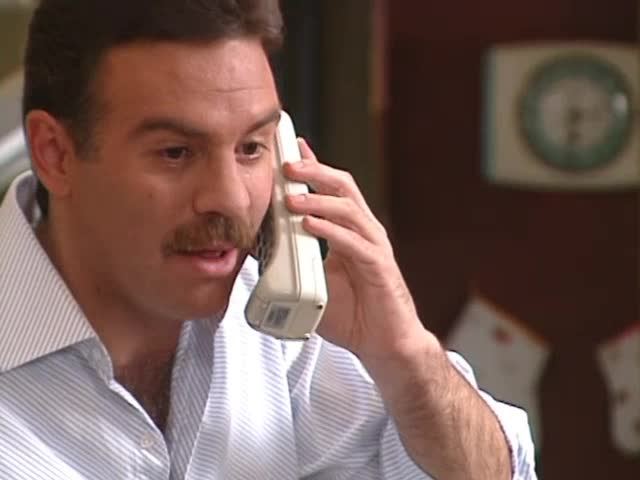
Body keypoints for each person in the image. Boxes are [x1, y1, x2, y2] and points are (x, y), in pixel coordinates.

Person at [0, 1, 536, 478]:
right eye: (175, 153)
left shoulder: (276, 327)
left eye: (252, 148)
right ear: (55, 154)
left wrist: (405, 355)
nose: (231, 199)